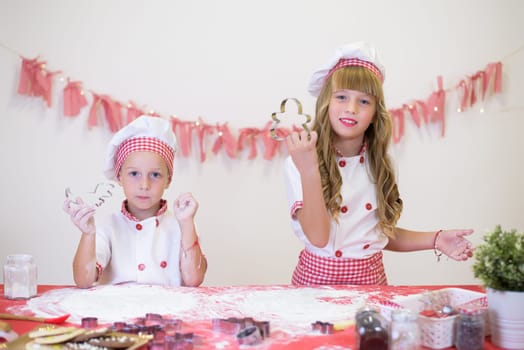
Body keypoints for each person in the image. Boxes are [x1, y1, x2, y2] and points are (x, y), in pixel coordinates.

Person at [284, 41, 474, 285]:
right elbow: (319, 238)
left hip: (371, 284)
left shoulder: (380, 163)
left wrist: (436, 239)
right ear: (325, 104)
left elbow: (375, 234)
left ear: (375, 114)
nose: (351, 108)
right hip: (314, 287)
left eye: (364, 101)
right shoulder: (299, 162)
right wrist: (309, 169)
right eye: (341, 97)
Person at [63, 115, 207, 288]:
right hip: (118, 311)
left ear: (168, 180)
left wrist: (187, 223)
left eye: (155, 175)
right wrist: (87, 234)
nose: (144, 185)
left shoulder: (180, 225)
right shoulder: (107, 226)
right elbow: (83, 281)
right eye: (134, 174)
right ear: (119, 177)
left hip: (168, 311)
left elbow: (194, 280)